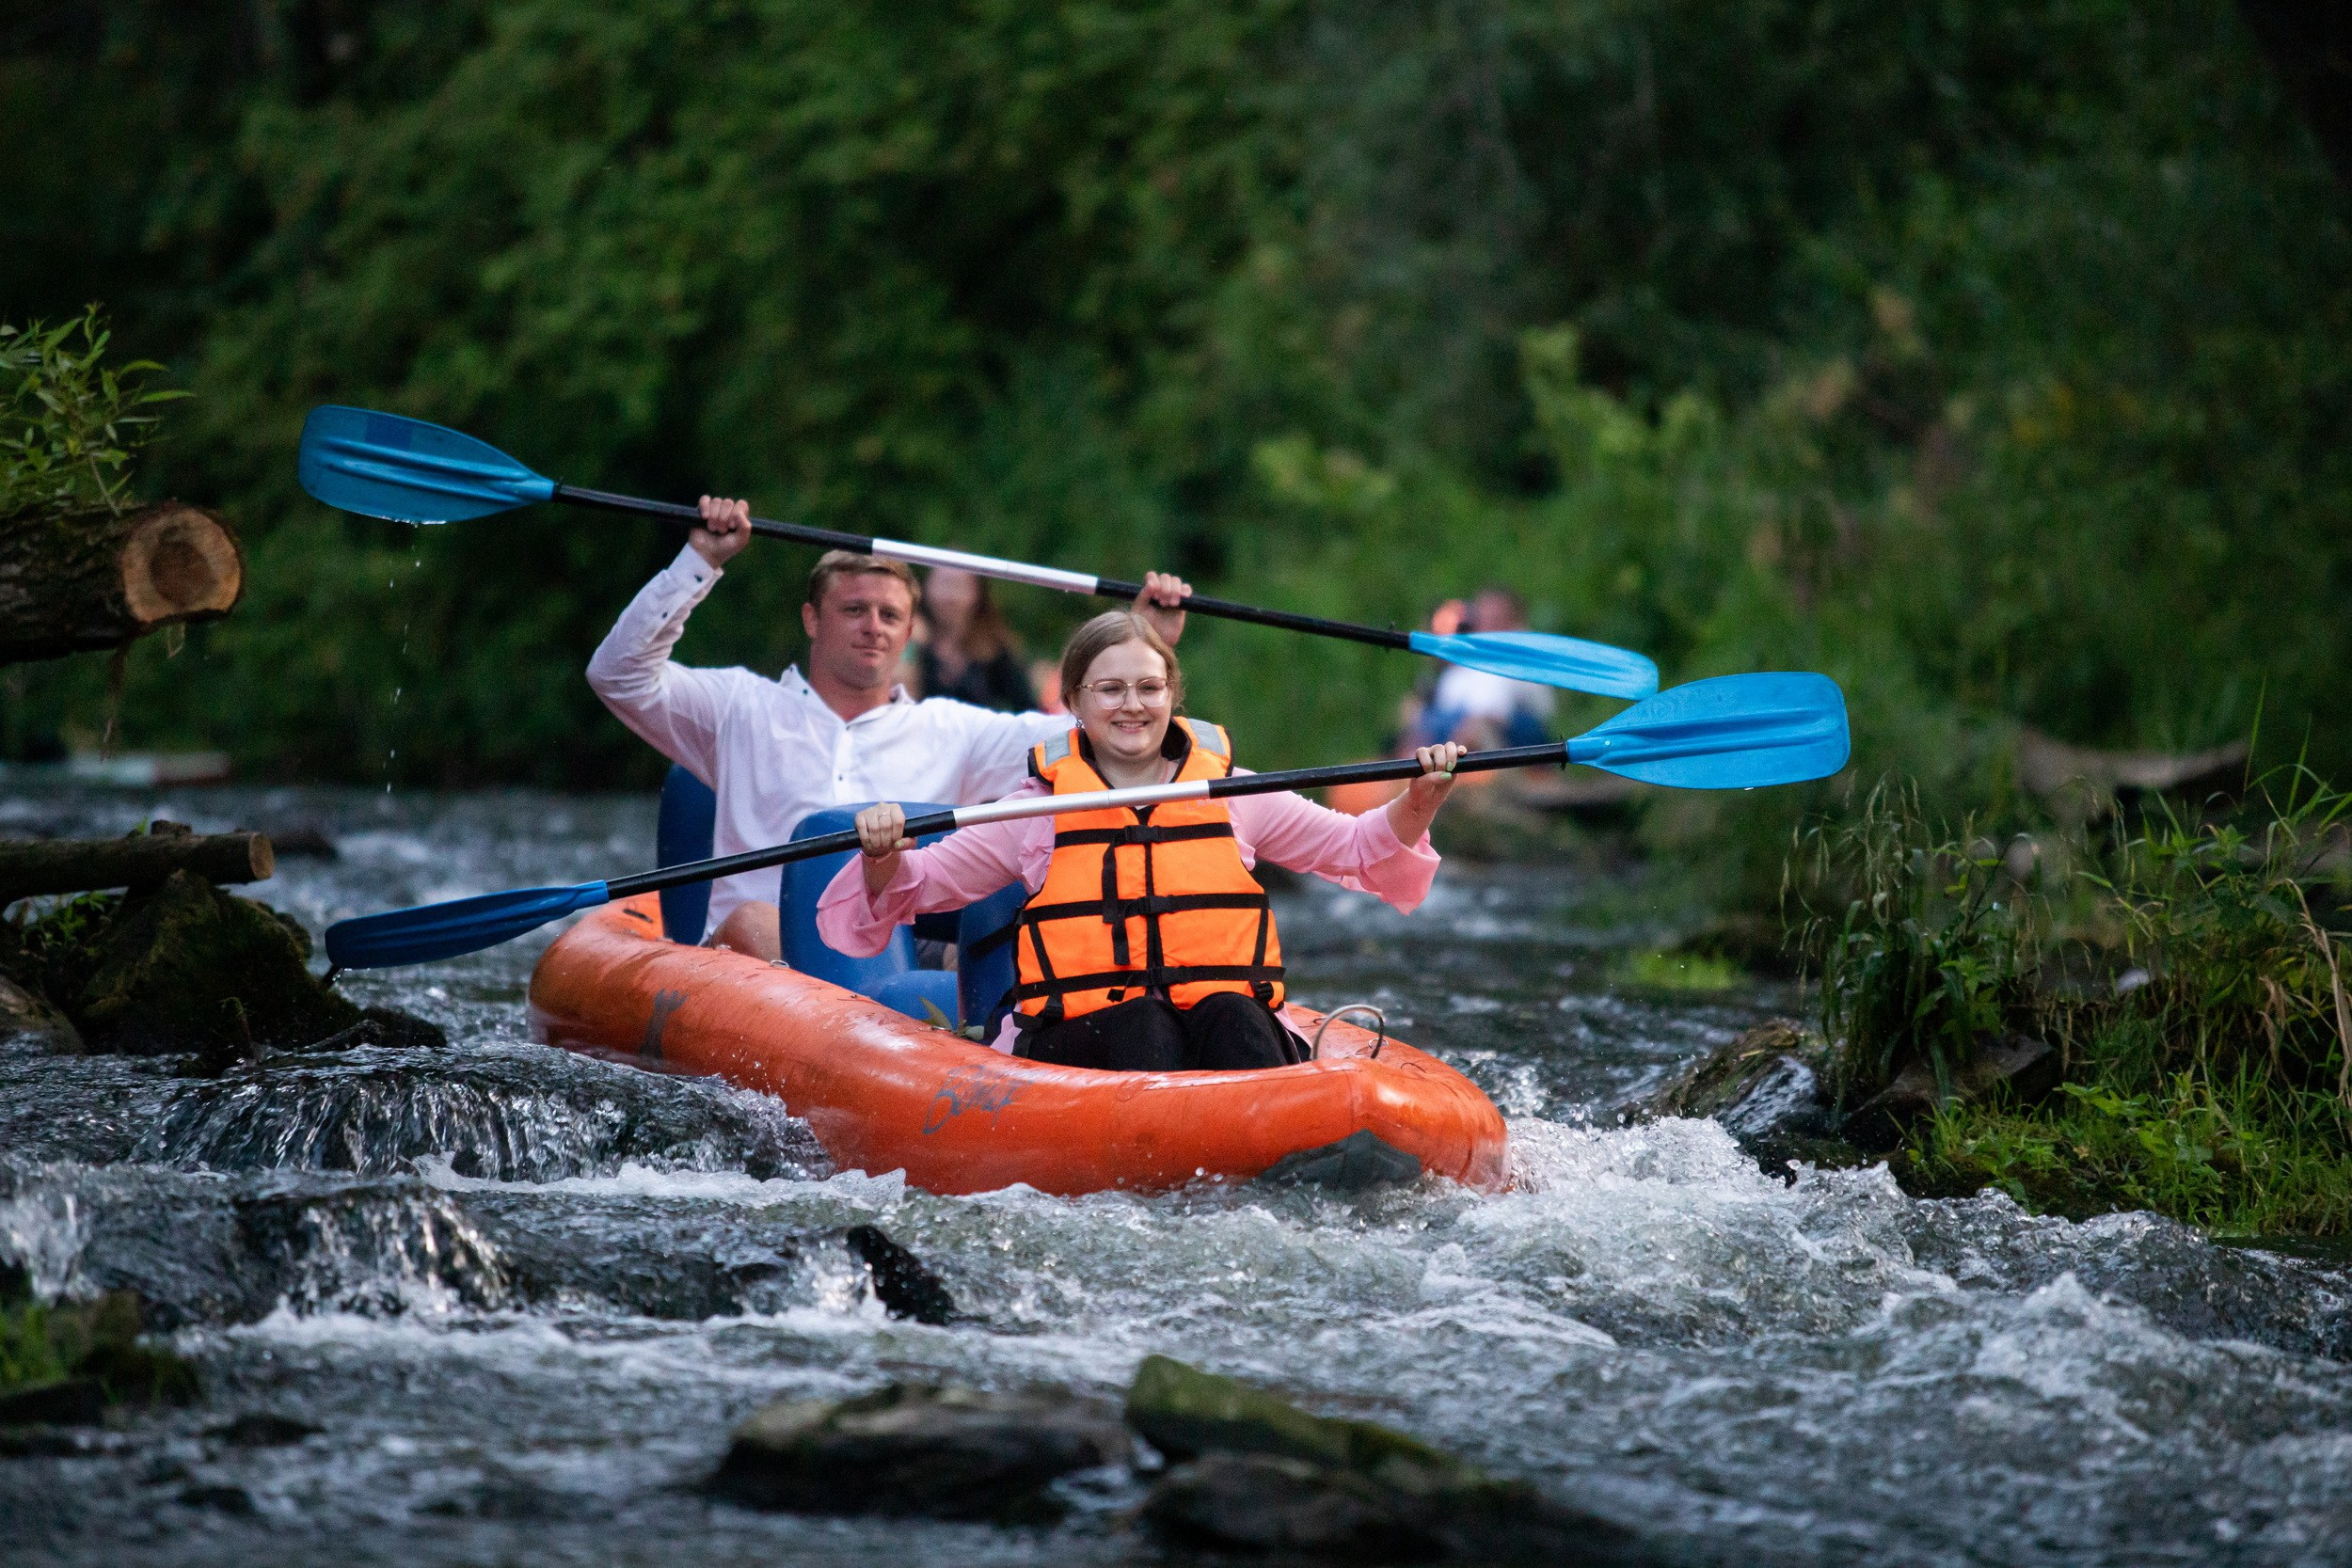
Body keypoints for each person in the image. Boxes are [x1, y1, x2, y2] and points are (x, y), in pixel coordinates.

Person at [818, 610, 1467, 1071]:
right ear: (1074, 698)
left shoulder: (1233, 790)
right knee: (1143, 1021)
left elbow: (1357, 847)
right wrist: (883, 853)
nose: (1133, 705)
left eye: (1149, 687)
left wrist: (1419, 799)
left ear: (1172, 694)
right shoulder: (1037, 807)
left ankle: (1272, 1170)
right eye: (1111, 689)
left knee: (1235, 1013)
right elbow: (917, 888)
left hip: (1212, 1026)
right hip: (1076, 1039)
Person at [587, 495, 1192, 957]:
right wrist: (700, 560)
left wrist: (1143, 643)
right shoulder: (738, 707)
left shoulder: (951, 730)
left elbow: (1095, 736)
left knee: (1003, 930)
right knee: (753, 920)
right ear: (812, 619)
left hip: (897, 956)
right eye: (853, 610)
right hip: (761, 961)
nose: (873, 626)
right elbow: (617, 676)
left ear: (909, 631)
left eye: (889, 614)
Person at [1408, 585, 1555, 751]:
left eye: (1495, 618)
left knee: (1478, 728)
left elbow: (1493, 711)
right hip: (1456, 729)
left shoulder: (1521, 656)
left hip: (1512, 736)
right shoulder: (1463, 664)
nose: (1486, 624)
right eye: (1482, 617)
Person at [913, 566, 1038, 710]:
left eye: (958, 586)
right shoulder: (911, 642)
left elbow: (1028, 708)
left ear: (976, 592)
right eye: (944, 584)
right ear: (926, 587)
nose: (949, 597)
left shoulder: (994, 652)